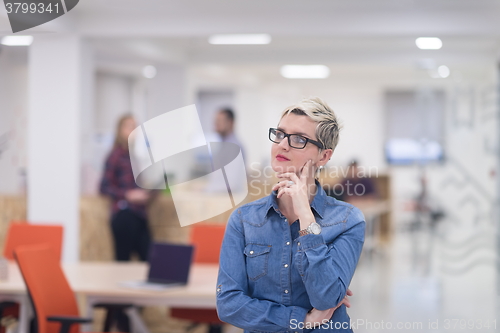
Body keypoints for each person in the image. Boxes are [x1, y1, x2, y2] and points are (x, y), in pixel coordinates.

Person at [216, 97, 365, 332]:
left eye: (298, 139)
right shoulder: (244, 220)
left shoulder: (348, 220)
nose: (283, 144)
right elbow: (229, 304)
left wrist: (305, 215)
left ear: (324, 156)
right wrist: (301, 320)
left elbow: (326, 298)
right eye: (280, 134)